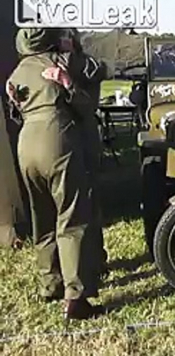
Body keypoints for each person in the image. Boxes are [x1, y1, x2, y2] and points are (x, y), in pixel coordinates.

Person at [5, 28, 103, 320]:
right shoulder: (63, 62)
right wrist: (68, 82)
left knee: (42, 216)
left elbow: (17, 110)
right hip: (57, 139)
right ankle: (76, 296)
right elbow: (87, 104)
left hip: (26, 144)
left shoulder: (18, 71)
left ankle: (50, 284)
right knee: (72, 218)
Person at [53, 28, 109, 279]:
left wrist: (68, 75)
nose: (62, 42)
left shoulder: (86, 64)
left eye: (67, 37)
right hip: (61, 139)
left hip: (84, 135)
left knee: (89, 198)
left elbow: (101, 71)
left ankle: (96, 259)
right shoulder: (50, 62)